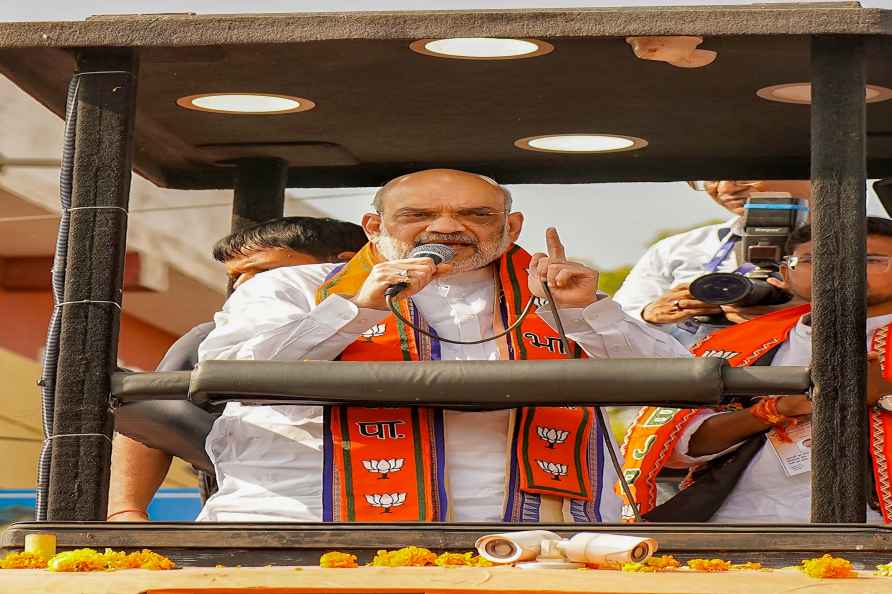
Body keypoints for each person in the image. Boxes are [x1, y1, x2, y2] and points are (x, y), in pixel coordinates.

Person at [196, 168, 690, 524]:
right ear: (374, 228)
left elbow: (675, 387)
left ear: (511, 228)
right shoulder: (297, 286)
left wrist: (585, 313)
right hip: (304, 524)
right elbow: (229, 373)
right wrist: (356, 308)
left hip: (529, 544)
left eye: (475, 214)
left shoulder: (554, 292)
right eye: (419, 214)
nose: (447, 228)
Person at [620, 217, 892, 523]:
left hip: (874, 531)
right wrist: (773, 410)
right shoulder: (742, 341)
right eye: (812, 260)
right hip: (732, 522)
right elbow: (679, 448)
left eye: (870, 259)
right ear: (786, 274)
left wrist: (882, 397)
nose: (840, 269)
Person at [107, 216, 367, 522]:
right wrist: (125, 513)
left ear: (345, 266)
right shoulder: (211, 340)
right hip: (265, 504)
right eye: (236, 277)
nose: (243, 285)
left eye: (265, 271)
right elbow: (150, 422)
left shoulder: (423, 329)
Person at [613, 180, 812, 346]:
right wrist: (650, 313)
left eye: (744, 176)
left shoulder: (840, 242)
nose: (725, 188)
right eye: (711, 179)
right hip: (693, 378)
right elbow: (613, 326)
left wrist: (805, 314)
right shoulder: (676, 248)